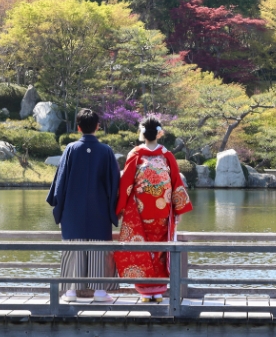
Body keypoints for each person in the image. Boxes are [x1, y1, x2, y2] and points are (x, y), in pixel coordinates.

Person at [113, 116, 193, 302]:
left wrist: (120, 208)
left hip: (141, 212)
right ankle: (158, 291)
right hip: (162, 212)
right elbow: (176, 184)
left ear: (142, 133)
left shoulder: (136, 154)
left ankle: (145, 292)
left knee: (142, 249)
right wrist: (178, 210)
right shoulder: (167, 155)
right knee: (160, 251)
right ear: (159, 133)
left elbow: (126, 184)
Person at [46, 108, 120, 303]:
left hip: (73, 210)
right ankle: (100, 293)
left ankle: (70, 292)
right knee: (98, 250)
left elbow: (60, 183)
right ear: (97, 127)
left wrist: (58, 205)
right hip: (100, 211)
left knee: (74, 249)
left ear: (78, 128)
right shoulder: (106, 151)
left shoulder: (70, 149)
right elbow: (115, 185)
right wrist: (114, 209)